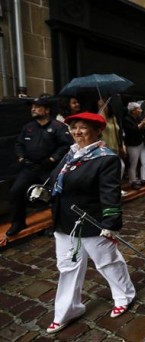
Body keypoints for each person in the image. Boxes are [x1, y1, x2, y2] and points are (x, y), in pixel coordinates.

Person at [46, 112, 135, 334]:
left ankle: (124, 295)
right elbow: (59, 181)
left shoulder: (106, 158)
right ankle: (68, 310)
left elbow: (110, 193)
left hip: (92, 222)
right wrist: (45, 190)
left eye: (82, 127)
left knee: (107, 262)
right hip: (65, 222)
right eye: (73, 127)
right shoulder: (71, 155)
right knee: (67, 267)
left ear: (97, 131)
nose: (76, 132)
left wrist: (111, 223)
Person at [7, 97, 73, 237]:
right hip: (30, 167)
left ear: (47, 110)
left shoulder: (58, 127)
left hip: (50, 168)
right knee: (16, 191)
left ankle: (58, 224)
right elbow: (19, 144)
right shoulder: (28, 127)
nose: (33, 109)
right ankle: (18, 223)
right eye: (32, 107)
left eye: (37, 107)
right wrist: (22, 158)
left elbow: (66, 145)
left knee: (55, 195)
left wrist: (51, 159)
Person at [123, 102, 145, 189]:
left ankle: (144, 179)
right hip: (133, 143)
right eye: (138, 109)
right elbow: (132, 130)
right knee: (133, 163)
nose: (140, 110)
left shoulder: (139, 118)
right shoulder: (127, 119)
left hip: (142, 142)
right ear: (133, 111)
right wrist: (141, 125)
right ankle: (133, 181)